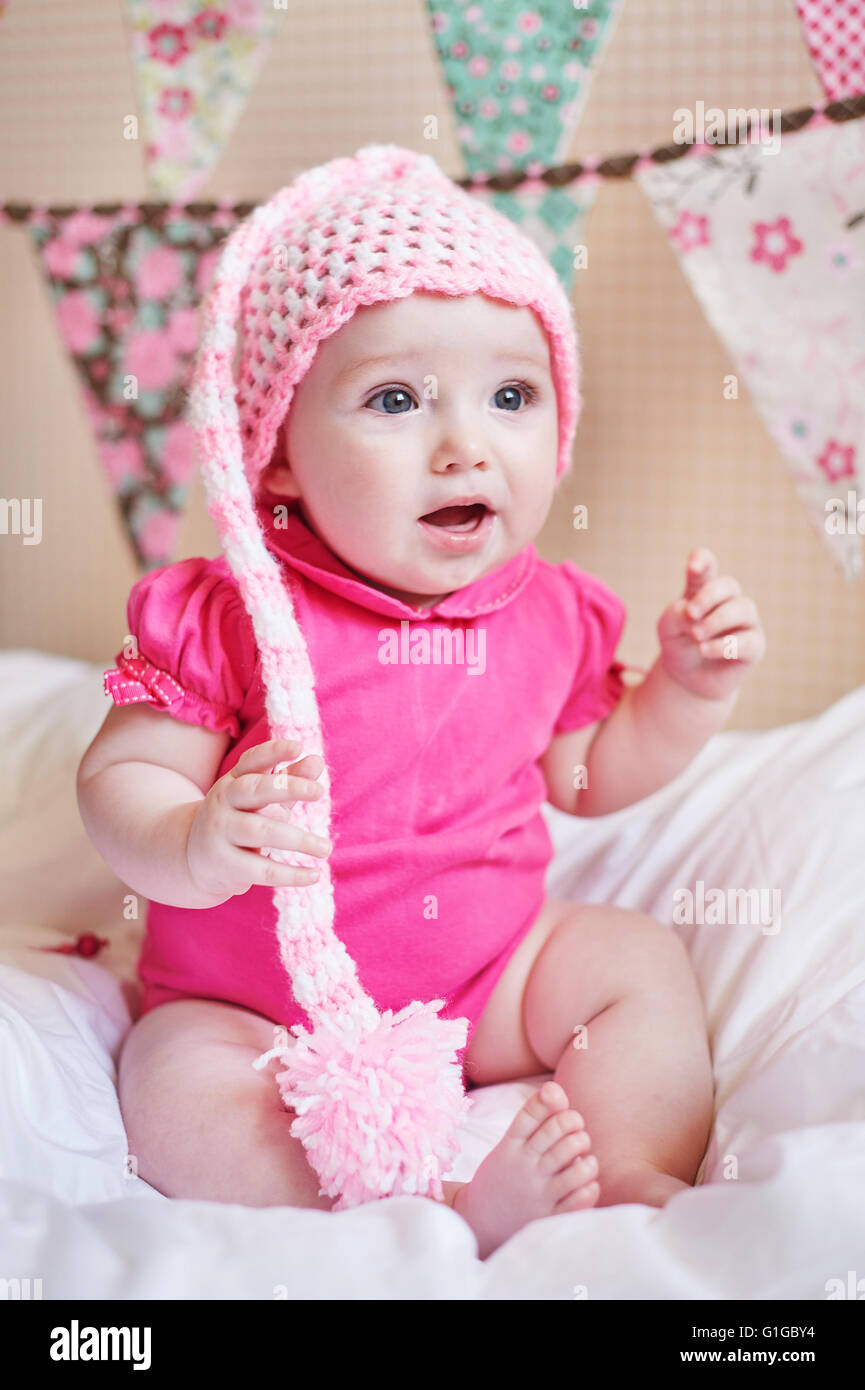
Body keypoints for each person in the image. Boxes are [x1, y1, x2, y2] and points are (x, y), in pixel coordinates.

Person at [78, 145, 766, 1261]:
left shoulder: (548, 612)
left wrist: (684, 693)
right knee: (178, 1093)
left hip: (486, 980)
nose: (464, 445)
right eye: (395, 399)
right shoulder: (229, 613)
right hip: (255, 1009)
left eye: (510, 395)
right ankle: (430, 1217)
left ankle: (630, 1158)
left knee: (633, 963)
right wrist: (191, 841)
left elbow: (585, 776)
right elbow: (121, 780)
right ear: (280, 456)